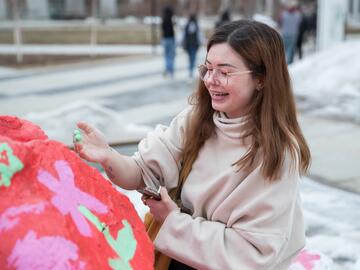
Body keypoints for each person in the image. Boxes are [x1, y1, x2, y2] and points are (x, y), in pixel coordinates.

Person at [74, 19, 311, 269]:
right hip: (176, 259)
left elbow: (252, 257)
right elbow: (142, 171)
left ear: (261, 78)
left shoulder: (277, 153)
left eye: (225, 71)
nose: (211, 80)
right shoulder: (195, 120)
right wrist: (108, 156)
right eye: (207, 68)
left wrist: (173, 222)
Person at [182, 14, 201, 78]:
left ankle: (190, 70)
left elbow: (184, 35)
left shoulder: (187, 25)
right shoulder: (196, 25)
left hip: (188, 44)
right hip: (194, 44)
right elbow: (199, 36)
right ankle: (191, 70)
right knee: (193, 58)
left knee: (190, 58)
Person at [161, 6, 176, 78]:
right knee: (171, 56)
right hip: (171, 39)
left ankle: (167, 69)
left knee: (166, 56)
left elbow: (162, 30)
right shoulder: (171, 20)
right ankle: (171, 71)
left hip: (164, 39)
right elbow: (173, 31)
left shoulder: (163, 20)